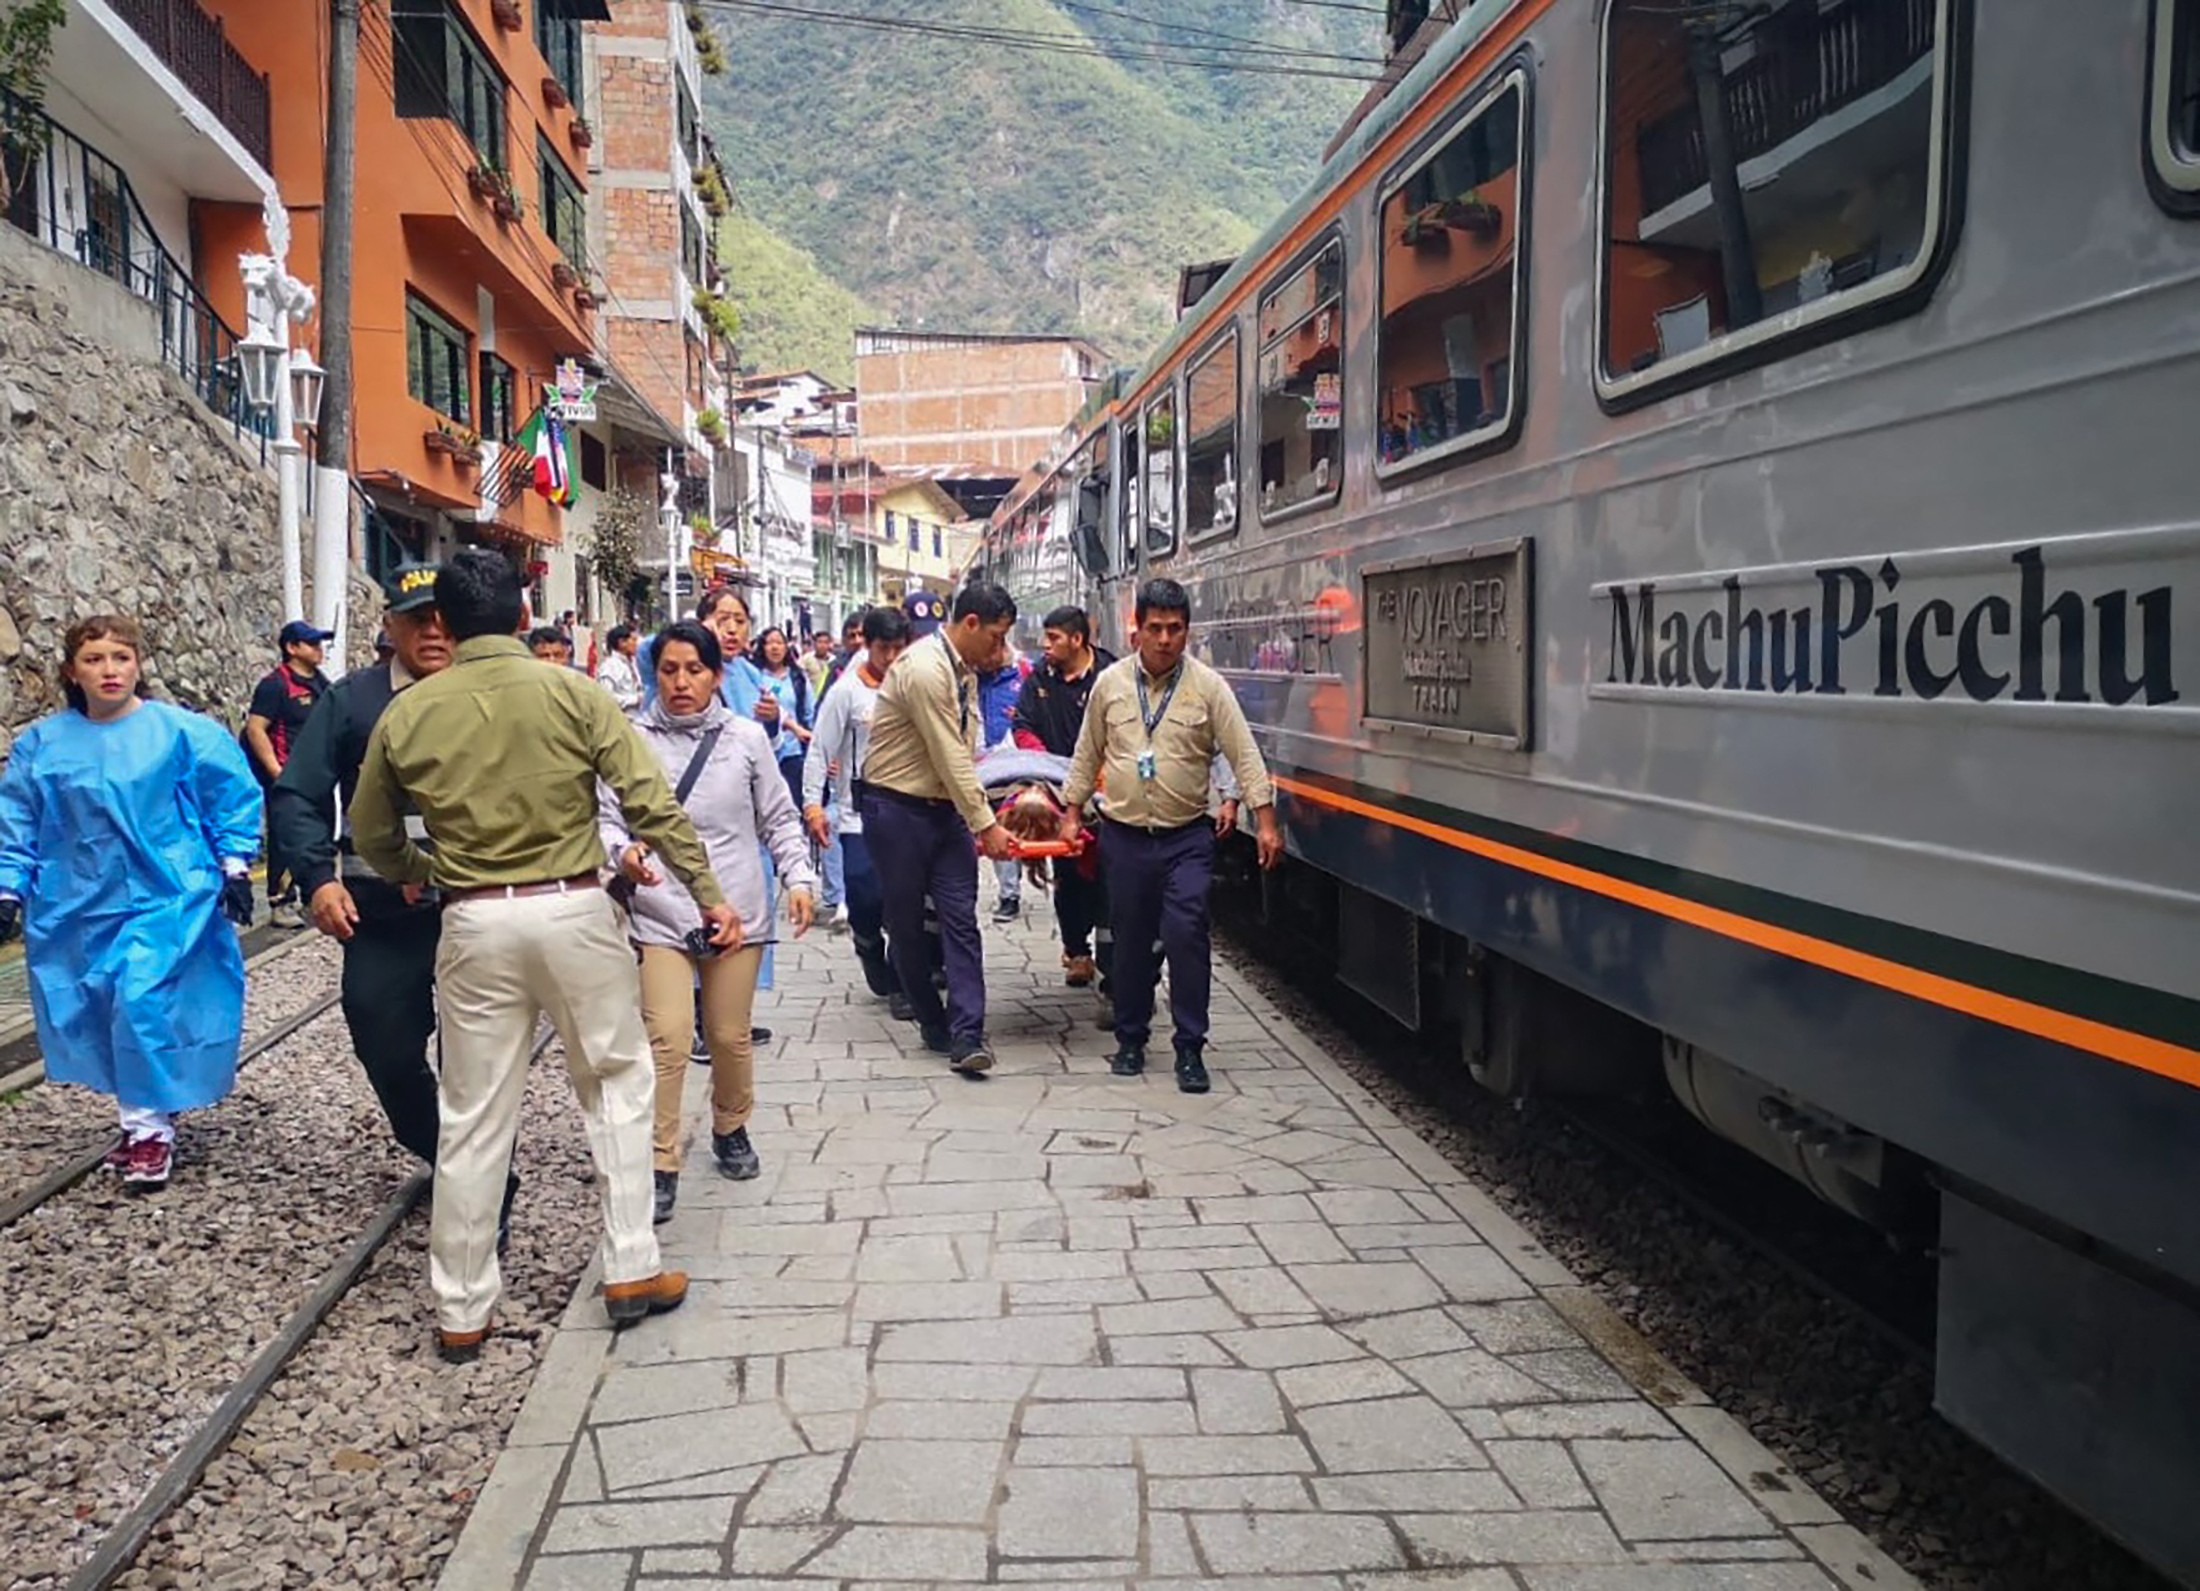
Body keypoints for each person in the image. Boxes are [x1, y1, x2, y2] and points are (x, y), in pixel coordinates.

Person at [348, 550, 738, 1360]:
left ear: (444, 626)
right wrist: (707, 893)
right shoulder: (575, 693)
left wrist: (423, 872)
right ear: (525, 616)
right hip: (575, 908)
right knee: (616, 1084)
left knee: (474, 1111)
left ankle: (461, 1308)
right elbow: (648, 804)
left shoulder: (410, 713)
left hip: (475, 920)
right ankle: (631, 1265)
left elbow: (374, 831)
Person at [268, 562, 529, 1251]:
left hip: (480, 908)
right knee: (382, 1041)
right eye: (417, 620)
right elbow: (297, 793)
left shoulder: (500, 693)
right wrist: (319, 877)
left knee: (483, 1055)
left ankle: (482, 1188)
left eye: (443, 617)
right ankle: (445, 1147)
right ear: (390, 628)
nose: (433, 631)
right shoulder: (352, 702)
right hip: (383, 913)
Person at [0, 615, 261, 1188]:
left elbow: (230, 795)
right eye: (94, 659)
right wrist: (9, 885)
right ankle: (141, 1114)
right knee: (98, 1007)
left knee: (141, 1000)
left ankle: (149, 1134)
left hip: (169, 895)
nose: (109, 670)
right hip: (76, 903)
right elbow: (18, 818)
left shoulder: (182, 733)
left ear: (138, 664)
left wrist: (235, 865)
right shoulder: (43, 745)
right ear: (72, 671)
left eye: (120, 656)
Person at [603, 621, 817, 1225]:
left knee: (727, 1034)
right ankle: (661, 1161)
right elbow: (605, 817)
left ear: (717, 675)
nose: (681, 683)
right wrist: (621, 853)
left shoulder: (746, 739)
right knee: (667, 1039)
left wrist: (799, 879)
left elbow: (777, 819)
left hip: (735, 909)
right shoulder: (629, 740)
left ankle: (731, 1125)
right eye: (668, 671)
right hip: (659, 909)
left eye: (694, 670)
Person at [1061, 578, 1283, 1095]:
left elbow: (1244, 753)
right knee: (1132, 941)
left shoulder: (1208, 687)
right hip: (1125, 836)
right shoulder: (1111, 685)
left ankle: (1190, 1048)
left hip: (1186, 837)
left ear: (1188, 632)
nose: (1165, 639)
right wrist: (1071, 813)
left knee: (1186, 937)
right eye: (1155, 628)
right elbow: (1086, 753)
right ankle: (1131, 1040)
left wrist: (1265, 820)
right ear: (1136, 629)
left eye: (1176, 629)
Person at [857, 581, 1019, 1074]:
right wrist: (987, 825)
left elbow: (966, 756)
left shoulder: (962, 669)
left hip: (944, 813)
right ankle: (932, 1019)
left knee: (960, 919)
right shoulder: (926, 669)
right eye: (996, 637)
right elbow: (949, 755)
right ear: (969, 624)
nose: (1002, 649)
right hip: (897, 810)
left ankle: (967, 1032)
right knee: (905, 924)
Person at [803, 605, 910, 1012]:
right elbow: (820, 749)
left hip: (906, 807)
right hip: (857, 811)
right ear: (867, 645)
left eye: (899, 648)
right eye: (884, 648)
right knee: (865, 893)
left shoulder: (913, 684)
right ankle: (867, 943)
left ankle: (903, 983)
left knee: (903, 898)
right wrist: (813, 804)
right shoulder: (846, 691)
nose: (891, 658)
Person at [1013, 605, 1118, 1003]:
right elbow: (1022, 725)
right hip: (1059, 794)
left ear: (1078, 639)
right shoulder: (1039, 679)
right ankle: (1077, 951)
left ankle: (1113, 967)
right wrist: (1045, 766)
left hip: (1108, 794)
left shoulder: (1112, 676)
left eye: (1054, 637)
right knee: (1070, 877)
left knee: (1110, 879)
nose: (1046, 645)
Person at [244, 619, 334, 928]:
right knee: (285, 840)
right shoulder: (275, 685)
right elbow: (256, 728)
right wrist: (276, 771)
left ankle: (314, 895)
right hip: (287, 778)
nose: (319, 649)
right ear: (291, 648)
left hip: (318, 775)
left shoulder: (321, 682)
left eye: (319, 643)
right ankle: (281, 902)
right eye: (311, 643)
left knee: (320, 833)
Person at [977, 643, 1032, 922]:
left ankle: (1011, 889)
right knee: (994, 823)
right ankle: (1008, 891)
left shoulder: (1024, 674)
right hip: (981, 762)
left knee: (1008, 820)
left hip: (1017, 761)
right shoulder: (970, 676)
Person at [751, 626, 814, 816]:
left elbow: (809, 713)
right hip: (763, 750)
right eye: (769, 643)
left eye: (779, 643)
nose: (775, 648)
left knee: (792, 808)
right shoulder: (754, 676)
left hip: (793, 753)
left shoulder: (798, 678)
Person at [597, 623, 643, 712]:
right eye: (633, 640)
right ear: (622, 642)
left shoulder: (633, 663)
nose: (637, 644)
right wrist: (635, 700)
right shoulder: (610, 666)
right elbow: (606, 696)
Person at [800, 628, 835, 698]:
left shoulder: (834, 661)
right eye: (820, 642)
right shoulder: (806, 659)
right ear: (814, 643)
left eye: (825, 642)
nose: (822, 645)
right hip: (810, 697)